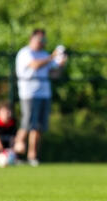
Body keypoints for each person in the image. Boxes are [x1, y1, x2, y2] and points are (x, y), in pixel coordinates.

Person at [14, 29, 67, 167]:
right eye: (41, 40)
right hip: (29, 94)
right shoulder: (25, 53)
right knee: (26, 125)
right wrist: (52, 56)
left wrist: (61, 65)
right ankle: (16, 154)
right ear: (32, 38)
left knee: (38, 127)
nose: (43, 43)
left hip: (44, 94)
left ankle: (32, 156)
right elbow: (35, 65)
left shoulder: (44, 54)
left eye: (44, 40)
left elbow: (54, 75)